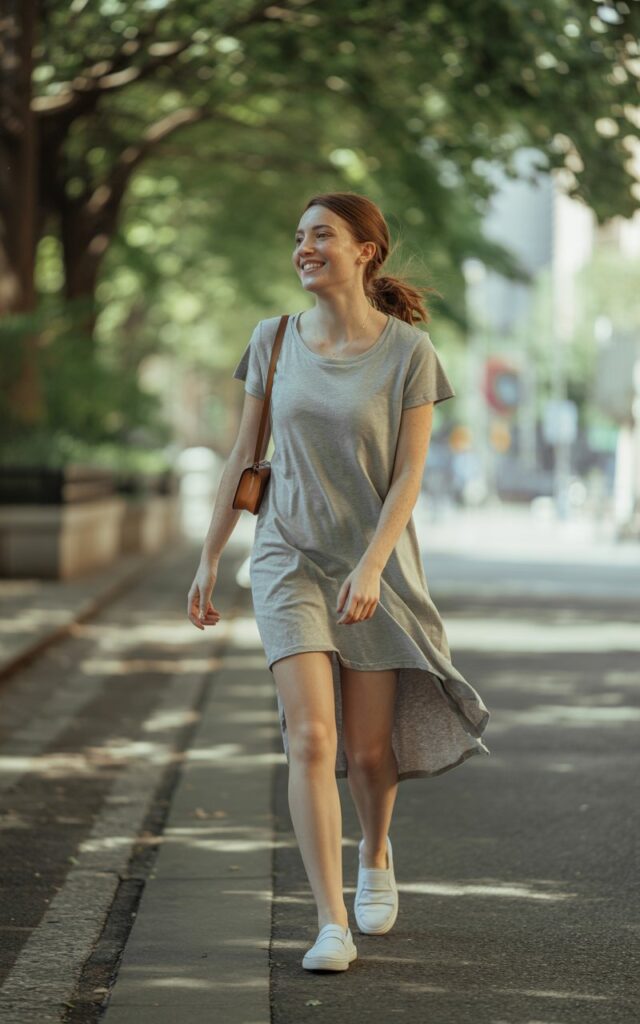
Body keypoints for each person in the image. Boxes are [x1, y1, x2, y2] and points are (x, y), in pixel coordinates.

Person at [187, 191, 491, 973]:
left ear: (366, 250)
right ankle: (329, 922)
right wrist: (210, 555)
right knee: (310, 737)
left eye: (321, 234)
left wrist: (371, 564)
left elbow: (410, 475)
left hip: (373, 567)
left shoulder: (409, 354)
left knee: (366, 749)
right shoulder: (273, 340)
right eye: (298, 236)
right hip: (287, 558)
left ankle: (376, 853)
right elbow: (240, 456)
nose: (304, 247)